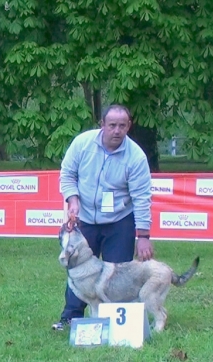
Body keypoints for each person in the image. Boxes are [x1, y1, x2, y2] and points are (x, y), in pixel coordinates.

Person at [52, 104, 154, 331]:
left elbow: (141, 197)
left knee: (118, 278)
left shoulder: (136, 157)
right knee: (78, 270)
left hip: (119, 221)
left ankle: (117, 323)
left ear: (129, 126)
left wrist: (144, 235)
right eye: (112, 125)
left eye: (122, 125)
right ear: (102, 125)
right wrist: (72, 199)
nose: (117, 130)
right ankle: (70, 318)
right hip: (85, 218)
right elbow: (67, 174)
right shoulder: (82, 144)